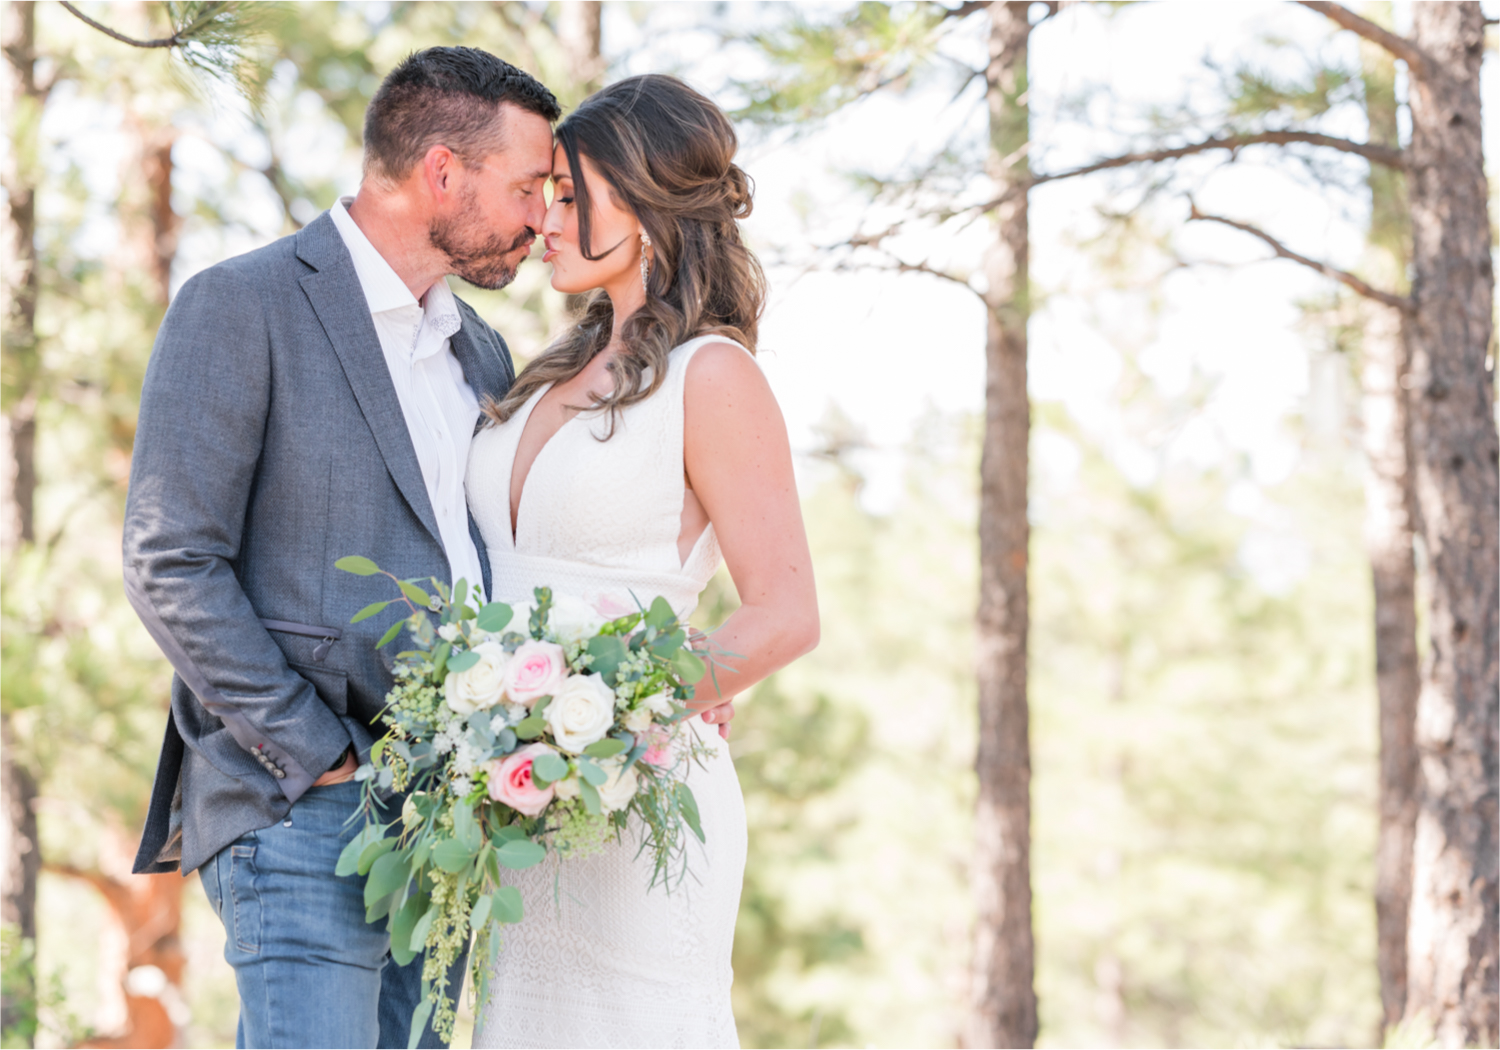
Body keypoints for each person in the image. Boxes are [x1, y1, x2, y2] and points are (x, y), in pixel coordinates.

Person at [119, 48, 735, 1050]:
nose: (545, 215)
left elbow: (526, 550)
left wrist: (652, 652)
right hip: (298, 804)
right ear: (442, 173)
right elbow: (168, 555)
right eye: (531, 186)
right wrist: (316, 755)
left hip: (454, 825)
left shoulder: (482, 351)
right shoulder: (245, 305)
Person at [467, 74, 819, 1049]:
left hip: (637, 801)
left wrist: (617, 707)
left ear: (651, 203)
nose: (546, 219)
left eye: (573, 197)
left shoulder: (713, 377)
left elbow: (786, 612)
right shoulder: (532, 374)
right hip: (511, 801)